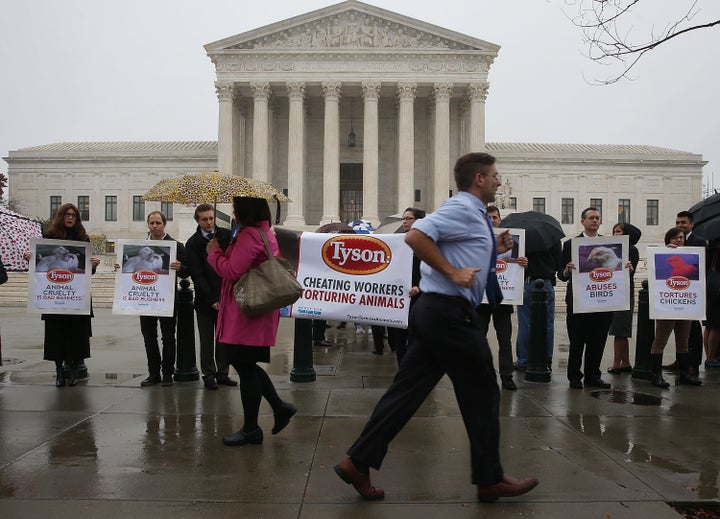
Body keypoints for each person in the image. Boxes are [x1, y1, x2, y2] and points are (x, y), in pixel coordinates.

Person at [334, 152, 538, 502]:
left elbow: (465, 253)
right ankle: (489, 479)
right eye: (494, 176)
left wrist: (497, 249)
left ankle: (358, 462)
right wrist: (451, 273)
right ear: (478, 179)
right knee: (484, 391)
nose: (499, 182)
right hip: (449, 314)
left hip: (437, 312)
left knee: (406, 393)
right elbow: (416, 237)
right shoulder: (461, 207)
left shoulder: (473, 213)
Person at [206, 196, 297, 446]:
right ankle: (278, 409)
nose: (233, 212)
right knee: (247, 366)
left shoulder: (249, 235)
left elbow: (232, 271)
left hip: (246, 312)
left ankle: (252, 428)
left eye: (236, 208)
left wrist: (214, 254)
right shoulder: (264, 232)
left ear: (245, 211)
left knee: (245, 367)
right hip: (254, 311)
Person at [23, 203, 100, 387]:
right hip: (54, 297)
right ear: (61, 216)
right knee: (56, 334)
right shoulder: (49, 237)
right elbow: (40, 269)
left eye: (73, 215)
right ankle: (59, 370)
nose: (70, 217)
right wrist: (30, 259)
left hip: (75, 296)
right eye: (67, 214)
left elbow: (87, 272)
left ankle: (73, 369)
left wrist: (94, 265)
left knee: (76, 335)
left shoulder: (83, 238)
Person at [557, 207, 614, 390]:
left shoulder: (609, 245)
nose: (595, 221)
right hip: (578, 302)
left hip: (602, 302)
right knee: (577, 342)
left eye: (597, 218)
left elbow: (614, 270)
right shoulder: (571, 244)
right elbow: (561, 274)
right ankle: (574, 376)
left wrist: (625, 267)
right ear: (583, 221)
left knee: (598, 341)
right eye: (591, 218)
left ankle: (593, 376)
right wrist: (567, 269)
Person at [184, 203, 236, 390]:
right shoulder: (193, 243)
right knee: (207, 340)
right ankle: (209, 375)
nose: (208, 222)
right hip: (206, 300)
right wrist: (213, 299)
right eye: (204, 219)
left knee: (224, 338)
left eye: (211, 218)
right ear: (198, 221)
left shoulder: (225, 235)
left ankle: (223, 373)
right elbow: (197, 275)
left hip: (226, 296)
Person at [477, 206, 527, 390]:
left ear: (500, 219)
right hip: (481, 299)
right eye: (488, 217)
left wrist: (522, 263)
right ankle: (478, 375)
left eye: (495, 217)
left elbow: (515, 268)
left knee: (505, 341)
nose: (492, 220)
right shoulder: (477, 242)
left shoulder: (512, 241)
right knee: (479, 339)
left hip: (504, 299)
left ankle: (506, 376)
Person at [137, 211, 190, 387]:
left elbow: (186, 272)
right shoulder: (141, 246)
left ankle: (167, 373)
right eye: (152, 223)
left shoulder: (176, 246)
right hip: (145, 298)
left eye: (158, 223)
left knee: (168, 337)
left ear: (164, 224)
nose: (155, 226)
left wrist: (180, 266)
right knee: (148, 337)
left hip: (167, 299)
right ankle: (153, 373)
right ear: (148, 224)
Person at [649, 227, 702, 388]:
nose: (679, 240)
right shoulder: (662, 254)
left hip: (685, 306)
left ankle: (684, 374)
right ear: (668, 240)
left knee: (683, 341)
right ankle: (656, 375)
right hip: (667, 307)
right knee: (660, 341)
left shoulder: (692, 256)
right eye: (675, 238)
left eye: (681, 237)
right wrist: (666, 251)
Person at [665, 211, 706, 375]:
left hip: (692, 292)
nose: (680, 225)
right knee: (680, 331)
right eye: (677, 222)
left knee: (693, 330)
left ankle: (693, 364)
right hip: (676, 293)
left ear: (691, 224)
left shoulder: (699, 242)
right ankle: (680, 360)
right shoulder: (673, 243)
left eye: (683, 222)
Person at [386, 207, 425, 366]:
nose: (404, 221)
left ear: (418, 221)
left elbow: (433, 270)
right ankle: (404, 369)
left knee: (418, 337)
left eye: (408, 218)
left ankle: (417, 367)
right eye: (404, 218)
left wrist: (419, 286)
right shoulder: (400, 242)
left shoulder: (426, 243)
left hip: (420, 298)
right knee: (400, 338)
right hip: (402, 297)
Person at [607, 222, 640, 374]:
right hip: (617, 292)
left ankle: (616, 363)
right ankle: (625, 362)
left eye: (618, 231)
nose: (615, 234)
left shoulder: (630, 249)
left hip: (623, 292)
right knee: (621, 330)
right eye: (614, 231)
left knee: (619, 330)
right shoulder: (616, 249)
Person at [704, 238, 720, 369]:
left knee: (709, 325)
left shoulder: (709, 247)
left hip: (709, 287)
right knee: (716, 326)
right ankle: (712, 357)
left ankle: (709, 355)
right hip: (717, 291)